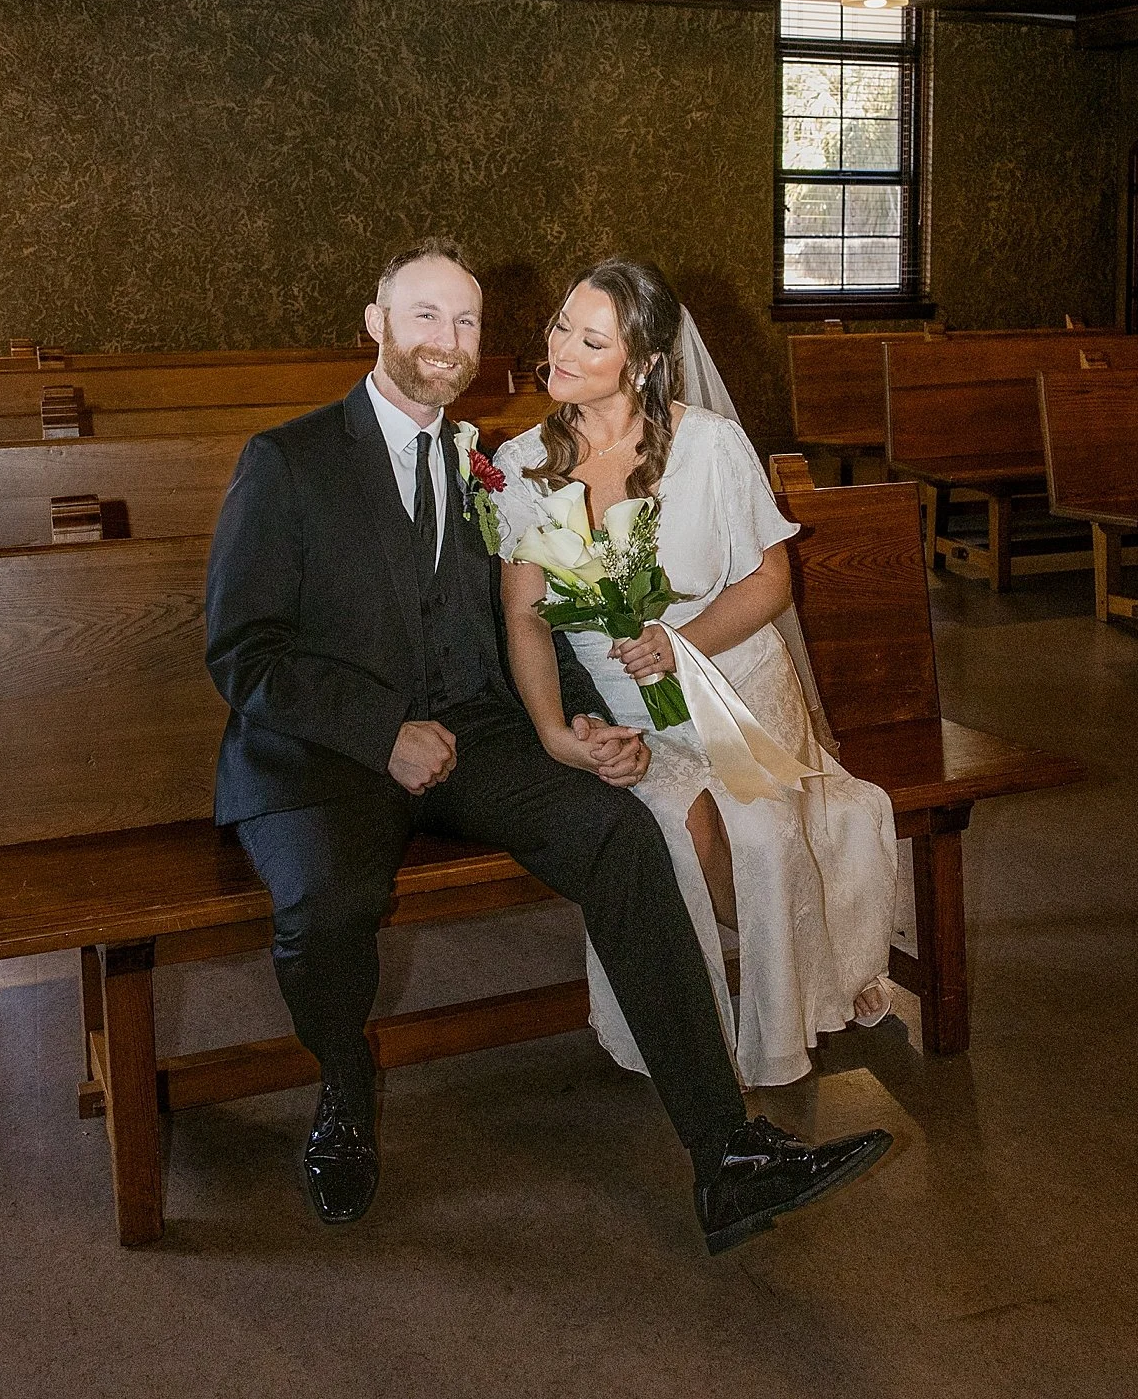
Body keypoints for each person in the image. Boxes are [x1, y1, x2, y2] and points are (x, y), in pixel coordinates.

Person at [204, 238, 893, 1251]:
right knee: (326, 900)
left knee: (622, 832)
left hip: (469, 735)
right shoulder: (289, 459)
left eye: (466, 320)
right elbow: (242, 650)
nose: (447, 338)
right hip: (324, 751)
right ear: (376, 322)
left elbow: (529, 622)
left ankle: (726, 1153)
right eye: (424, 313)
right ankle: (344, 1089)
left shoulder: (485, 463)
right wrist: (380, 732)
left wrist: (580, 727)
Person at [493, 258, 900, 1089]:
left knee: (765, 831)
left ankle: (777, 1023)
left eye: (591, 340)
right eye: (562, 325)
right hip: (622, 707)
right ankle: (696, 1041)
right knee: (682, 833)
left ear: (643, 362)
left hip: (733, 687)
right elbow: (527, 617)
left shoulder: (709, 446)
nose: (561, 349)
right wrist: (554, 731)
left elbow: (771, 582)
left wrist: (683, 641)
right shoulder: (522, 463)